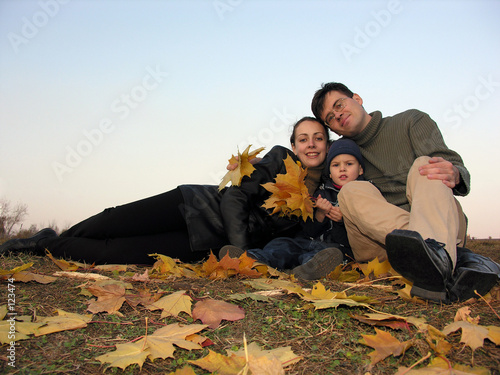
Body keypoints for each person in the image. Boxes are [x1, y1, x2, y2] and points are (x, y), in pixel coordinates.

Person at [0, 117, 330, 266]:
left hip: (204, 244)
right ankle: (42, 240)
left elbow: (294, 240)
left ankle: (50, 245)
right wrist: (240, 250)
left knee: (109, 255)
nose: (311, 144)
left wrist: (318, 215)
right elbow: (234, 196)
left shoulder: (322, 192)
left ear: (327, 145)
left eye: (318, 138)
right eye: (303, 138)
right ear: (293, 144)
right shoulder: (279, 160)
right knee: (111, 220)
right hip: (195, 206)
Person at [310, 82, 500, 303]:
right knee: (350, 190)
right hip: (378, 244)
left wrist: (456, 173)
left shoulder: (410, 121)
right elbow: (311, 165)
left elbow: (451, 164)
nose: (338, 115)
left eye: (339, 104)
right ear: (333, 129)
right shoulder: (344, 154)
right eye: (330, 118)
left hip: (439, 220)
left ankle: (433, 256)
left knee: (426, 165)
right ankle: (446, 259)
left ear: (357, 99)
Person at [219, 138, 364, 280]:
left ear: (361, 169)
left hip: (334, 246)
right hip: (306, 241)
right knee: (281, 245)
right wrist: (319, 214)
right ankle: (253, 259)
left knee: (323, 254)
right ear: (330, 172)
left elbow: (360, 236)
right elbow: (309, 230)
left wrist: (340, 222)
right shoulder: (321, 192)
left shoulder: (364, 194)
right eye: (336, 165)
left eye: (349, 164)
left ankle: (309, 269)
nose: (342, 168)